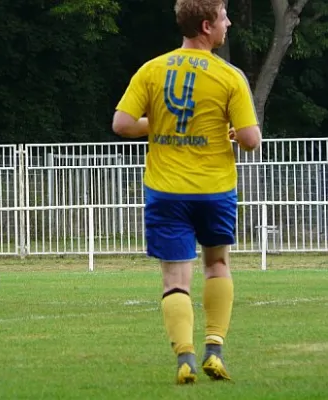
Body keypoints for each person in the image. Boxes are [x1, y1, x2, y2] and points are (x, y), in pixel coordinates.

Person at [112, 0, 261, 385]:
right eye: (225, 17)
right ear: (207, 26)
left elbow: (122, 124)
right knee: (217, 265)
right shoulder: (230, 76)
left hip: (167, 190)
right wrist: (227, 130)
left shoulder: (152, 69)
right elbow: (250, 140)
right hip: (215, 190)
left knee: (175, 279)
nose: (228, 23)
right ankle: (214, 348)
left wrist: (160, 124)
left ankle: (185, 358)